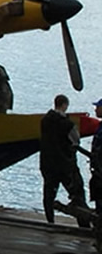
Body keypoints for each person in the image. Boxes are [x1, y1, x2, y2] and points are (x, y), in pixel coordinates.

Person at [39, 94, 90, 227]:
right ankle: (84, 225)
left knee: (49, 194)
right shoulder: (67, 124)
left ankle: (50, 221)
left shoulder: (45, 120)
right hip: (65, 165)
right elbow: (75, 140)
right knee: (77, 193)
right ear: (65, 105)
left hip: (48, 163)